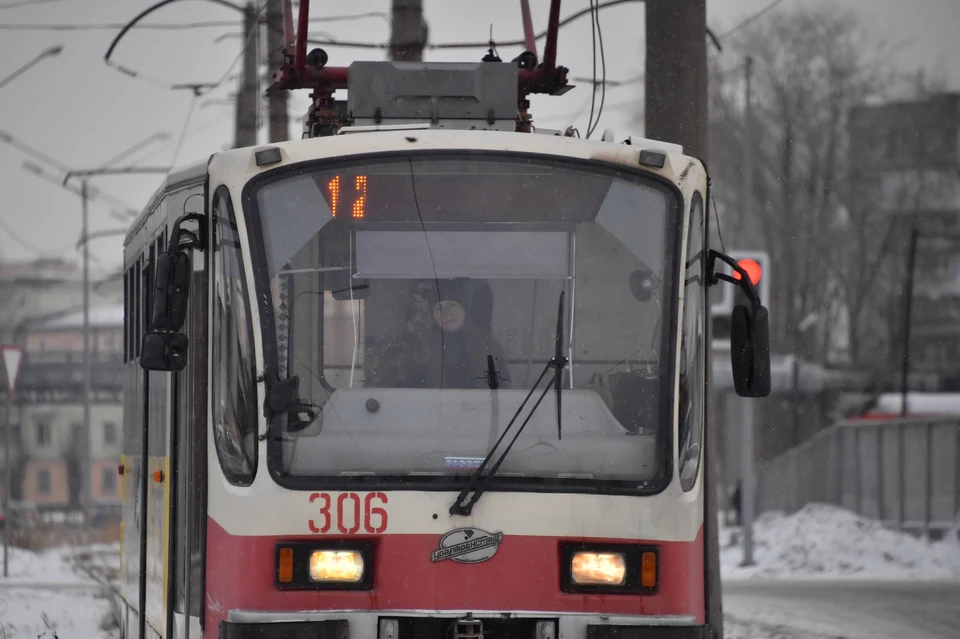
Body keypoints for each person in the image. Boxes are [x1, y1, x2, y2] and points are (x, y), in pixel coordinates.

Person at [369, 282, 510, 389]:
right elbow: (401, 388)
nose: (446, 314)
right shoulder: (418, 348)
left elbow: (502, 392)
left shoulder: (490, 348)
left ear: (465, 308)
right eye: (438, 308)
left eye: (452, 305)